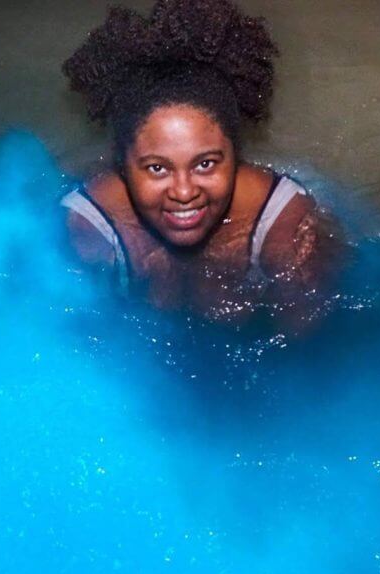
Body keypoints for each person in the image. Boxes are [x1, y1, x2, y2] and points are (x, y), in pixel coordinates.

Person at [61, 0, 346, 331]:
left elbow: (307, 350)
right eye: (157, 168)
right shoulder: (88, 225)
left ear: (236, 155)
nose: (184, 192)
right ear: (123, 165)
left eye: (206, 163)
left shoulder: (286, 225)